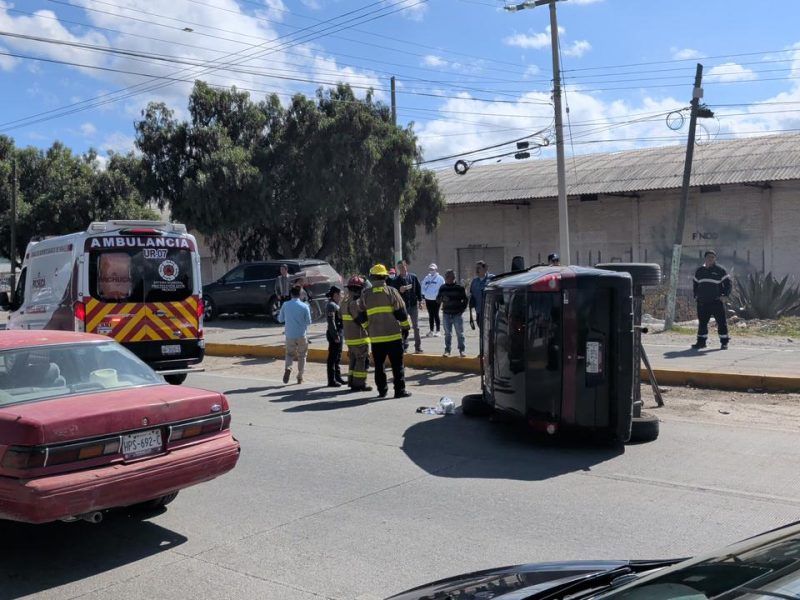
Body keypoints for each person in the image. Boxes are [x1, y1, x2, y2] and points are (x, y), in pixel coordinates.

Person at [356, 264, 411, 399]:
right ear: (385, 277)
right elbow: (401, 313)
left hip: (376, 338)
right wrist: (405, 328)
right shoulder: (392, 291)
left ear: (372, 277)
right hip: (393, 336)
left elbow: (360, 315)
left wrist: (368, 328)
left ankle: (382, 391)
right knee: (397, 365)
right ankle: (399, 391)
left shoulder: (365, 294)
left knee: (379, 366)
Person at [692, 250, 732, 350]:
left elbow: (728, 283)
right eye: (709, 257)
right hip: (702, 302)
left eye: (713, 257)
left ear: (715, 259)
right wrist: (696, 295)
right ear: (705, 258)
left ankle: (724, 342)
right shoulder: (699, 270)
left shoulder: (720, 270)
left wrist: (725, 295)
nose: (711, 259)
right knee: (702, 323)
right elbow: (695, 284)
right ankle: (701, 342)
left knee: (721, 322)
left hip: (716, 301)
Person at [277, 286, 312, 385]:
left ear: (291, 294)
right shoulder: (305, 306)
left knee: (289, 354)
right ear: (300, 294)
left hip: (289, 334)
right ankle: (300, 377)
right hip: (302, 334)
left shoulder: (285, 305)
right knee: (302, 356)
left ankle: (288, 368)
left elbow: (280, 320)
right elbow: (309, 322)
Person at [343, 276, 372, 392]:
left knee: (353, 360)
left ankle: (351, 381)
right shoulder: (357, 303)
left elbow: (340, 316)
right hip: (360, 337)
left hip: (349, 338)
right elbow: (362, 320)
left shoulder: (344, 301)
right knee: (362, 361)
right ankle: (359, 384)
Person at [389, 259, 423, 353]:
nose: (402, 269)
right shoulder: (395, 280)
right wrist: (399, 290)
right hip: (402, 307)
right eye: (400, 268)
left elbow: (418, 289)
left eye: (403, 267)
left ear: (406, 266)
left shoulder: (413, 277)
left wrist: (420, 301)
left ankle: (418, 347)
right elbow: (393, 293)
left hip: (413, 305)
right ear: (398, 269)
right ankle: (404, 346)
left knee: (416, 327)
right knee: (404, 327)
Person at [437, 269, 468, 357]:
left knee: (460, 334)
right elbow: (437, 300)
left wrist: (462, 310)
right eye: (446, 276)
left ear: (453, 277)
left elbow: (465, 300)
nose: (446, 278)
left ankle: (462, 350)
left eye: (448, 276)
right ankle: (447, 350)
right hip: (446, 314)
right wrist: (442, 299)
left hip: (457, 314)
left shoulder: (459, 288)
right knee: (447, 334)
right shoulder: (442, 287)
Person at [325, 285, 346, 387]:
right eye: (340, 294)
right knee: (332, 358)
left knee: (337, 357)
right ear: (335, 295)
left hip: (339, 333)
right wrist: (335, 335)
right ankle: (331, 380)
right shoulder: (331, 305)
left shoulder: (336, 304)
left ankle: (338, 377)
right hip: (335, 334)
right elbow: (331, 322)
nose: (342, 295)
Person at [468, 260, 494, 333]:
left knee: (491, 332)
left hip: (491, 312)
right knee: (482, 332)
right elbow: (472, 295)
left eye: (479, 268)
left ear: (485, 269)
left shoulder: (492, 279)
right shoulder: (474, 282)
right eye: (476, 268)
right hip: (479, 312)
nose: (477, 270)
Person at [421, 263, 445, 337]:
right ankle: (431, 331)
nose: (431, 270)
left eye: (433, 269)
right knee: (430, 315)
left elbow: (443, 287)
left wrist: (440, 296)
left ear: (436, 269)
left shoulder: (440, 278)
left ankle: (438, 331)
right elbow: (423, 286)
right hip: (428, 299)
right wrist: (424, 294)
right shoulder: (426, 278)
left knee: (436, 314)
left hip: (436, 299)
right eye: (430, 269)